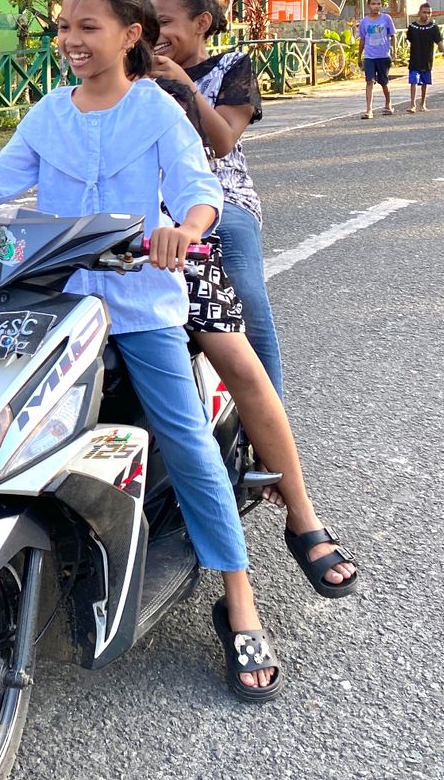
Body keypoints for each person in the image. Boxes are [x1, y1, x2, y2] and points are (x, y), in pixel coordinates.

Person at [0, 0, 285, 701]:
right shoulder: (50, 113)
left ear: (130, 34)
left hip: (140, 304)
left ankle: (239, 600)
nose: (71, 40)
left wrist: (185, 229)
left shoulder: (157, 110)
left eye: (88, 27)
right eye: (64, 27)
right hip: (63, 301)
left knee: (187, 440)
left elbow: (199, 188)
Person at [152, 76, 359, 597]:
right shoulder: (73, 113)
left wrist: (187, 231)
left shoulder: (188, 110)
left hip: (187, 258)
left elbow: (205, 190)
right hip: (102, 275)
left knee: (244, 355)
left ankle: (300, 511)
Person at [148, 0, 286, 399]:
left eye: (165, 22)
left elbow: (223, 141)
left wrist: (184, 85)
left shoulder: (231, 66)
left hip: (225, 199)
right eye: (148, 24)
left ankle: (270, 423)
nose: (155, 34)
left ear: (202, 23)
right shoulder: (136, 74)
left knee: (246, 297)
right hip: (154, 203)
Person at [354, 0, 397, 118]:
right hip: (369, 56)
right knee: (370, 81)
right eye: (373, 4)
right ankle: (369, 110)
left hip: (383, 56)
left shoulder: (386, 18)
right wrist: (359, 56)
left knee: (384, 82)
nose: (376, 6)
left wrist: (394, 52)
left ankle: (388, 104)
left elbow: (393, 35)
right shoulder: (364, 21)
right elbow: (362, 40)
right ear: (368, 6)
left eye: (378, 4)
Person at [404, 1, 444, 114]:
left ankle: (423, 103)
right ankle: (412, 104)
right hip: (415, 58)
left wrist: (443, 52)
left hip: (427, 59)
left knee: (424, 82)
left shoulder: (433, 27)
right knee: (413, 81)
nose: (427, 15)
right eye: (424, 12)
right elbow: (408, 40)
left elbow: (438, 41)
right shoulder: (412, 27)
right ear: (419, 13)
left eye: (429, 13)